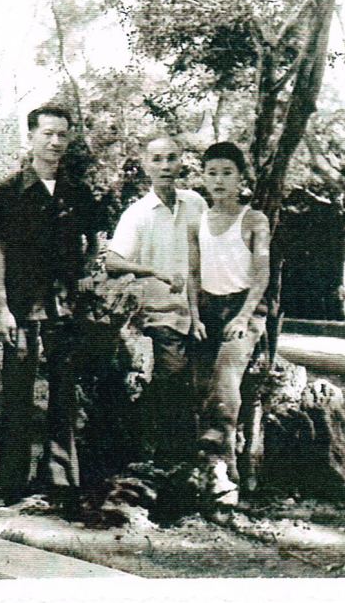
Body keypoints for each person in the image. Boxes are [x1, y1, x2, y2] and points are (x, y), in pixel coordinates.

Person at [0, 105, 99, 509]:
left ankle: (59, 481)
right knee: (17, 396)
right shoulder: (10, 191)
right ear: (31, 137)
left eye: (62, 135)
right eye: (48, 134)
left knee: (63, 394)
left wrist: (85, 272)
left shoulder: (77, 192)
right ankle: (11, 484)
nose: (55, 142)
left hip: (64, 308)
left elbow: (94, 241)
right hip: (21, 307)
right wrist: (1, 307)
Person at [106, 136, 207, 467]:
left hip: (202, 313)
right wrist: (151, 271)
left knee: (207, 388)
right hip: (162, 317)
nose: (165, 166)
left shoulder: (196, 203)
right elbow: (112, 261)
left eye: (171, 158)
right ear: (146, 165)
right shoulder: (137, 214)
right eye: (157, 159)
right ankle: (170, 466)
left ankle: (200, 467)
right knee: (174, 385)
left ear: (182, 162)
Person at [187, 141, 270, 505]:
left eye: (227, 173)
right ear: (203, 177)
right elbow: (192, 274)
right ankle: (220, 469)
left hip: (244, 309)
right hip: (207, 309)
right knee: (200, 386)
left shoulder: (254, 219)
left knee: (225, 381)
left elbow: (262, 275)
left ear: (240, 178)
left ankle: (222, 471)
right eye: (212, 173)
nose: (219, 181)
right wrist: (194, 316)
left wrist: (244, 317)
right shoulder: (197, 221)